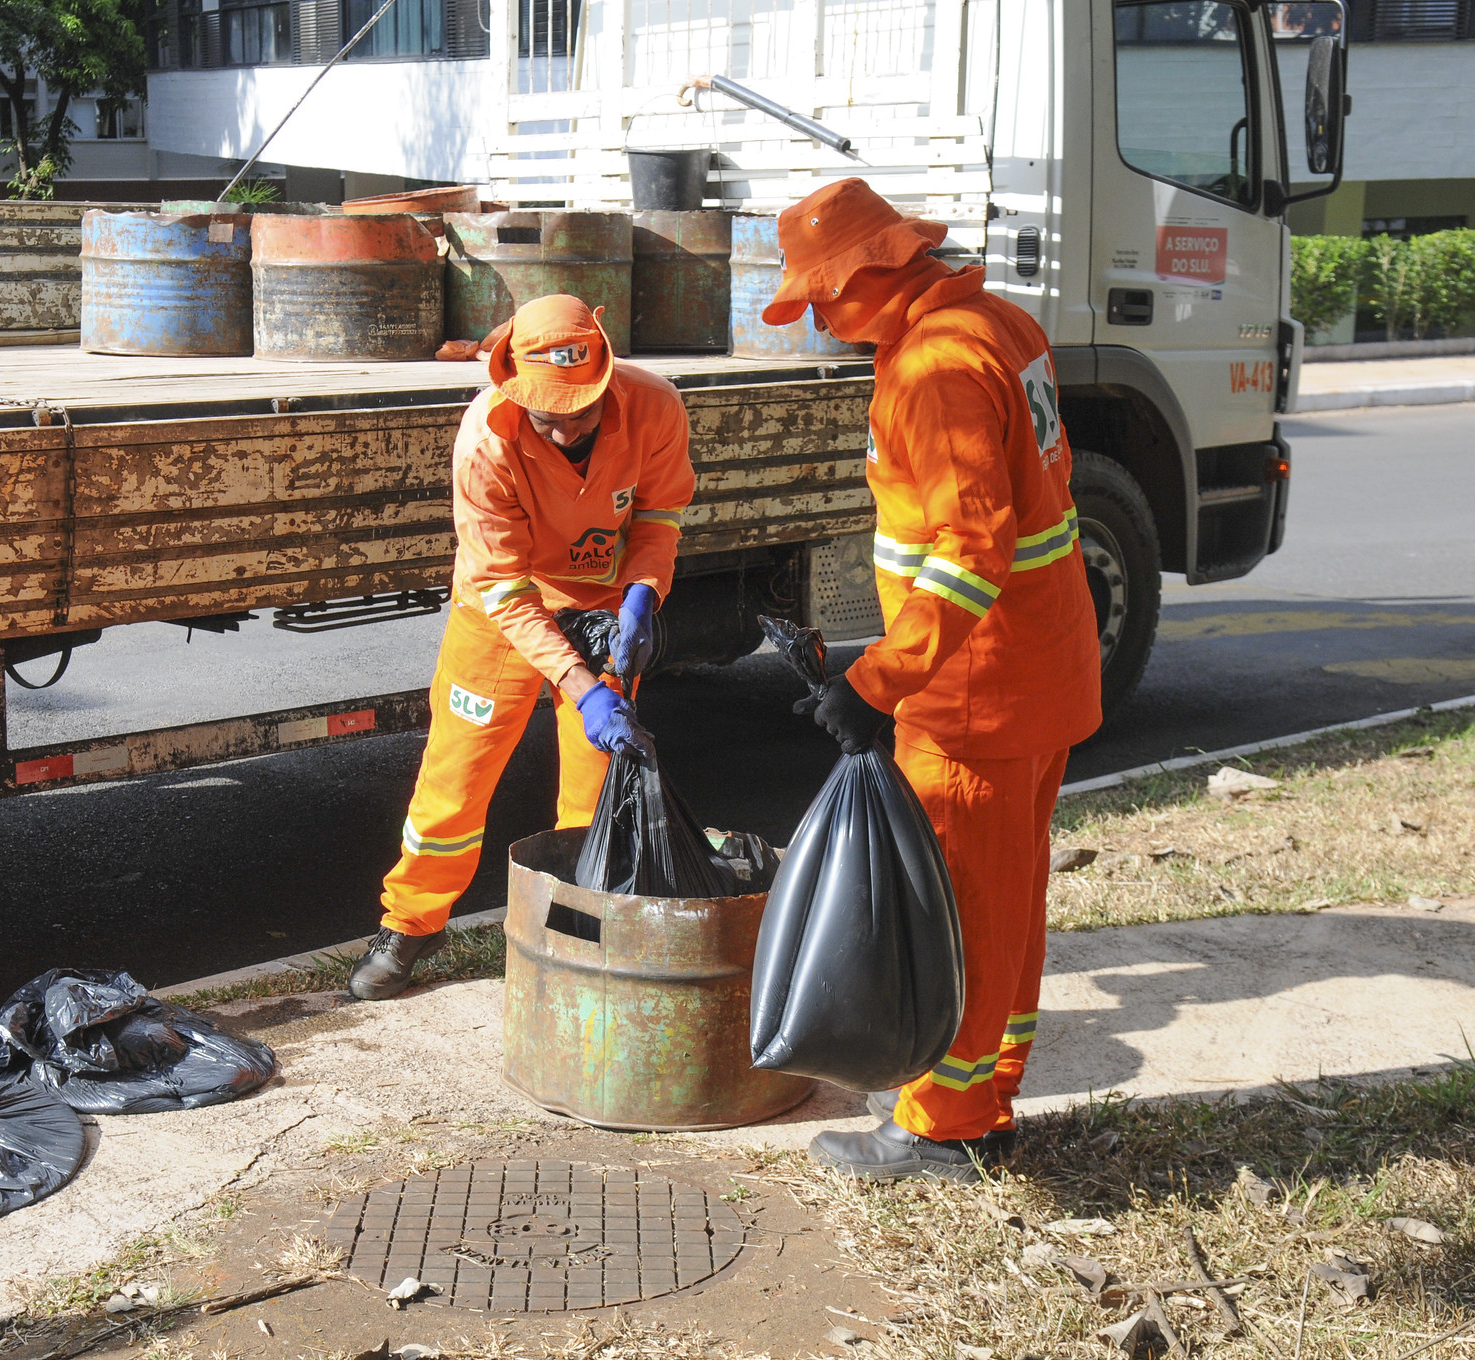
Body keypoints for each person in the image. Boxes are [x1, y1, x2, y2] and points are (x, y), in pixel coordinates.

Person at [765, 179, 1102, 1181]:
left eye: (823, 296)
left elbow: (969, 547)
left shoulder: (933, 364)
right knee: (1005, 900)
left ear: (875, 272)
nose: (818, 317)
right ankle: (984, 1099)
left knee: (957, 905)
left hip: (974, 689)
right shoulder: (995, 323)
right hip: (1032, 670)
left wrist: (879, 680)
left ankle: (940, 1128)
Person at [349, 294, 696, 1001]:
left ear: (605, 376)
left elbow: (659, 515)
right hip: (501, 610)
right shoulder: (486, 440)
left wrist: (642, 593)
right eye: (549, 414)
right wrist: (580, 684)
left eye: (582, 410)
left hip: (604, 604)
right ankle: (411, 925)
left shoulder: (655, 406)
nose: (567, 429)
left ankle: (580, 923)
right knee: (457, 774)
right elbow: (506, 588)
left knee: (600, 786)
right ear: (513, 387)